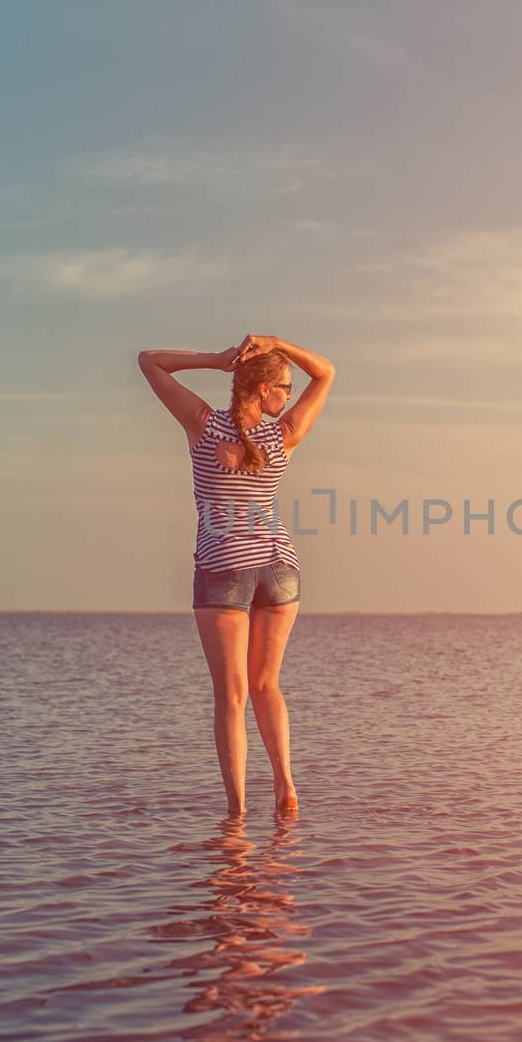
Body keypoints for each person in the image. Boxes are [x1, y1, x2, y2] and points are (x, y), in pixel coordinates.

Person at [137, 334, 336, 817]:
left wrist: (214, 361)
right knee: (267, 685)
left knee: (232, 695)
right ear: (264, 389)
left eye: (288, 388)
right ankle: (286, 786)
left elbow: (149, 361)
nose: (288, 395)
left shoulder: (203, 425)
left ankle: (237, 812)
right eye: (284, 387)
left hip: (223, 566)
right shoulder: (282, 435)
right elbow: (326, 372)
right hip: (279, 569)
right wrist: (278, 343)